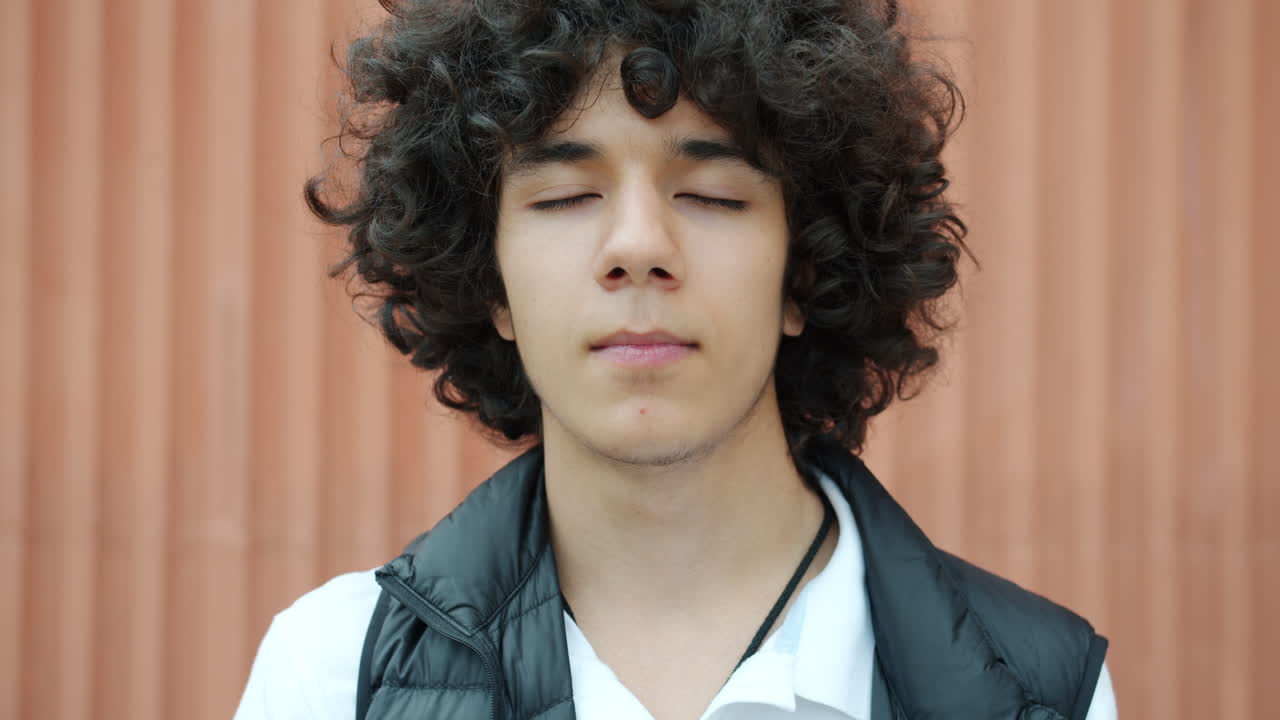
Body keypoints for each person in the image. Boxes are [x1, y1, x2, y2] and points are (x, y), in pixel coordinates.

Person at [234, 0, 1117, 718]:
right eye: (569, 194)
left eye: (710, 193)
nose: (638, 246)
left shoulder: (1045, 691)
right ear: (489, 282)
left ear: (804, 270)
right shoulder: (330, 675)